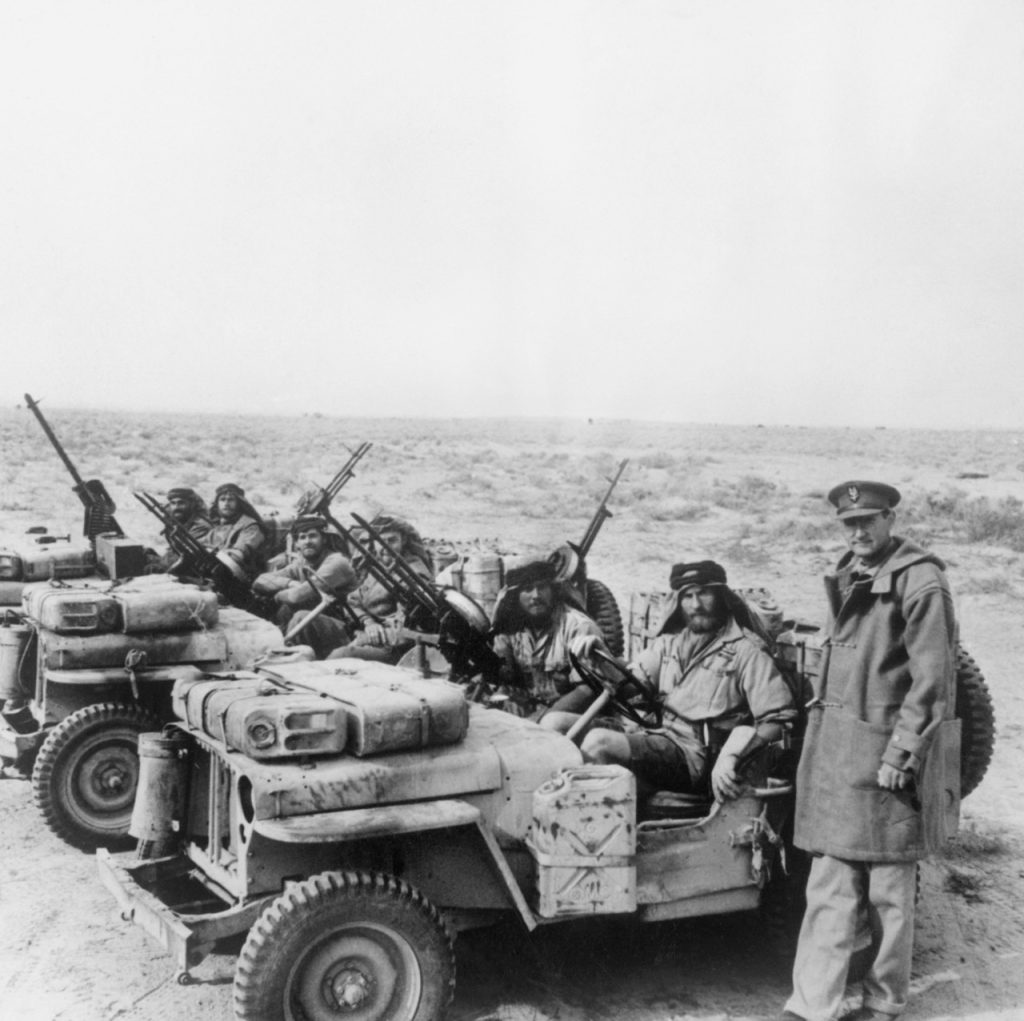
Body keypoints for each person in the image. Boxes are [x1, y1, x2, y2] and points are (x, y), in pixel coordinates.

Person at [778, 482, 959, 1021]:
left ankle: (884, 1001)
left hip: (886, 759)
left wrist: (901, 755)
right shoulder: (851, 572)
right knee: (830, 885)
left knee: (888, 892)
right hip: (840, 756)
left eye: (870, 521)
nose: (859, 532)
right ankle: (813, 1004)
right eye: (849, 523)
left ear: (891, 519)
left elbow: (933, 681)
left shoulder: (920, 580)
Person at [577, 560, 797, 800]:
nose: (696, 605)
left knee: (599, 743)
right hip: (653, 731)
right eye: (688, 596)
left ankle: (598, 829)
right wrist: (600, 657)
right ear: (678, 602)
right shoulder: (670, 644)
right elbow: (629, 685)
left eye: (704, 593)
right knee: (557, 724)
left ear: (721, 596)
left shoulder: (747, 652)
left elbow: (779, 720)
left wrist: (732, 755)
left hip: (694, 755)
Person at [489, 558, 605, 728]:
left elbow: (588, 690)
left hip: (577, 719)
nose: (536, 596)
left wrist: (539, 721)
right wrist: (509, 699)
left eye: (542, 587)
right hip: (534, 713)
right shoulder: (510, 629)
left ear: (553, 590)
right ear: (516, 595)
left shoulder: (578, 627)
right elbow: (505, 680)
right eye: (527, 589)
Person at [328, 513, 435, 664]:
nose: (385, 547)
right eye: (380, 541)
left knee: (340, 655)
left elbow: (406, 630)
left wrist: (367, 636)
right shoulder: (380, 566)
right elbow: (353, 601)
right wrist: (369, 623)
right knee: (304, 619)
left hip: (392, 647)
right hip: (364, 629)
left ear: (403, 540)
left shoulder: (414, 574)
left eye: (392, 540)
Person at [251, 514, 357, 659]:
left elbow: (297, 596)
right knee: (285, 611)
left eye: (313, 536)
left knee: (299, 616)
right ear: (296, 544)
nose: (307, 542)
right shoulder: (302, 564)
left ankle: (293, 659)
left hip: (347, 629)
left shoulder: (337, 563)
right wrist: (289, 583)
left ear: (324, 539)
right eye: (302, 537)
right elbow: (260, 580)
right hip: (320, 624)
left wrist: (278, 595)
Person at [205, 482, 267, 580]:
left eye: (231, 500)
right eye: (222, 499)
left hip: (241, 578)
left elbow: (238, 554)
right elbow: (202, 546)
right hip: (216, 573)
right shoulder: (217, 527)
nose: (226, 504)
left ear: (239, 503)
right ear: (217, 504)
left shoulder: (250, 526)